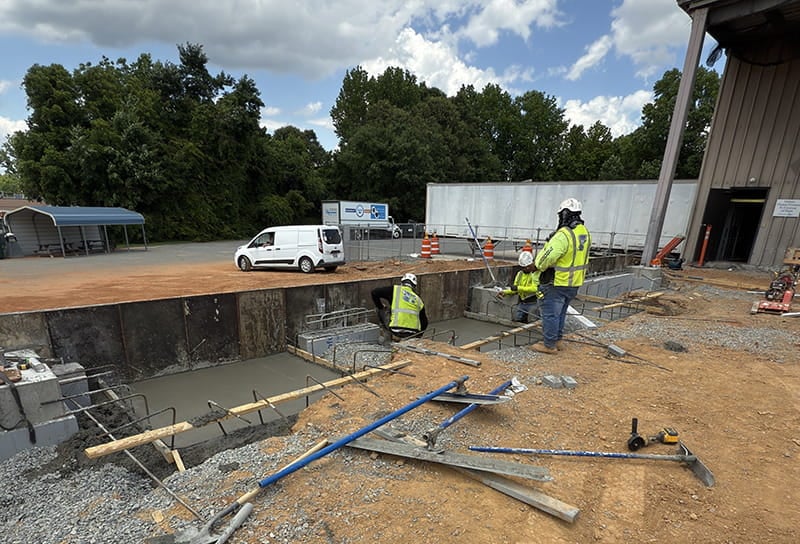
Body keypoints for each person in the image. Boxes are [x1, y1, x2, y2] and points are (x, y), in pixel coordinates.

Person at [531, 198, 591, 354]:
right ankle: (557, 339)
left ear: (564, 214)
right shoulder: (583, 232)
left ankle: (549, 345)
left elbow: (546, 259)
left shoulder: (564, 235)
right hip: (574, 282)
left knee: (550, 314)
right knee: (561, 313)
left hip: (556, 282)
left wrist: (537, 264)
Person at [371, 273, 428, 339]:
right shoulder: (419, 300)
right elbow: (425, 322)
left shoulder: (394, 289)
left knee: (380, 309)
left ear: (401, 282)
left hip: (395, 330)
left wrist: (380, 306)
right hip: (412, 333)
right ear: (414, 286)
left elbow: (374, 292)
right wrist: (418, 336)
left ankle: (387, 336)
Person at [497, 251, 542, 323]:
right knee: (515, 319)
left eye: (527, 267)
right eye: (523, 267)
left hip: (534, 302)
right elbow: (515, 289)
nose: (525, 269)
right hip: (522, 302)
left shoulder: (535, 274)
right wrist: (505, 292)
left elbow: (535, 288)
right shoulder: (520, 274)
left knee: (533, 321)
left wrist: (518, 288)